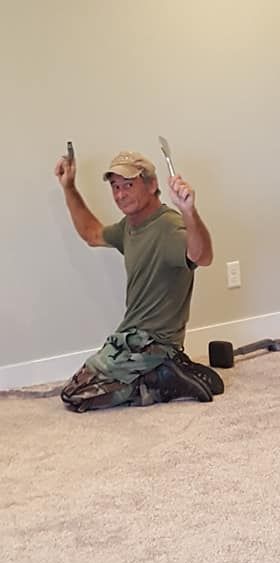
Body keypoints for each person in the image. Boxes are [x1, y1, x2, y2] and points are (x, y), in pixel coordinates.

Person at [54, 149, 223, 412]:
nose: (120, 195)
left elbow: (202, 256)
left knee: (76, 396)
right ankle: (168, 371)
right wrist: (69, 188)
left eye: (128, 185)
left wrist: (189, 212)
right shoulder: (129, 227)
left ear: (152, 185)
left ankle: (161, 381)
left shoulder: (169, 227)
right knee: (79, 386)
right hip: (131, 338)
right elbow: (92, 233)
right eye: (115, 187)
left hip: (154, 343)